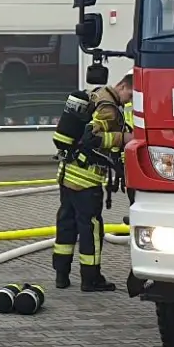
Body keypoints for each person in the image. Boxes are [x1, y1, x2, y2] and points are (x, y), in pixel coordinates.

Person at [50, 72, 135, 293]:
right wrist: (123, 138)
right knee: (91, 228)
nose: (129, 101)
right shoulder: (108, 108)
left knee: (66, 224)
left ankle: (61, 275)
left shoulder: (97, 93)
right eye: (130, 95)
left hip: (67, 172)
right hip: (86, 179)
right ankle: (91, 278)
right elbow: (91, 138)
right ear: (122, 86)